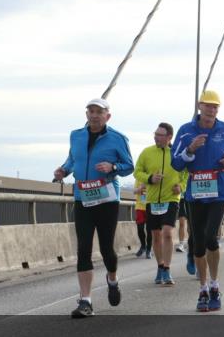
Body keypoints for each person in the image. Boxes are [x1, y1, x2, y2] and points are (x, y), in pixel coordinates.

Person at [54, 98, 134, 319]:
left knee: (107, 249)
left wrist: (113, 166)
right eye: (91, 111)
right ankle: (86, 301)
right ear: (86, 114)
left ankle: (112, 279)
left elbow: (129, 166)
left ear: (108, 116)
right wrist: (63, 170)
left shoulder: (118, 138)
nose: (94, 115)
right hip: (83, 197)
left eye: (99, 112)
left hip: (107, 198)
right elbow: (72, 160)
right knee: (83, 248)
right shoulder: (76, 135)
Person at [171, 90, 224, 313]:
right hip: (195, 190)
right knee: (198, 242)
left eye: (215, 106)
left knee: (210, 237)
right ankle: (203, 289)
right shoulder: (186, 131)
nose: (211, 110)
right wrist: (190, 150)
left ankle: (215, 285)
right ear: (199, 106)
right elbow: (176, 163)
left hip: (219, 190)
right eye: (207, 105)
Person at [134, 122, 188, 286]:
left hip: (170, 199)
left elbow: (186, 174)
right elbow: (137, 172)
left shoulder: (177, 154)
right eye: (155, 134)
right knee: (156, 235)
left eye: (159, 135)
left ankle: (167, 269)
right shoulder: (147, 152)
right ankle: (160, 266)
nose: (156, 137)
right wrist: (150, 178)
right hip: (152, 200)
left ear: (169, 137)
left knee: (167, 233)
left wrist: (181, 187)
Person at [133, 186, 153, 258]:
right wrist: (140, 188)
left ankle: (149, 249)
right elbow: (134, 191)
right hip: (139, 207)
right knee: (140, 228)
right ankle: (143, 246)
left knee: (149, 229)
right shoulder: (139, 179)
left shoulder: (152, 180)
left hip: (150, 206)